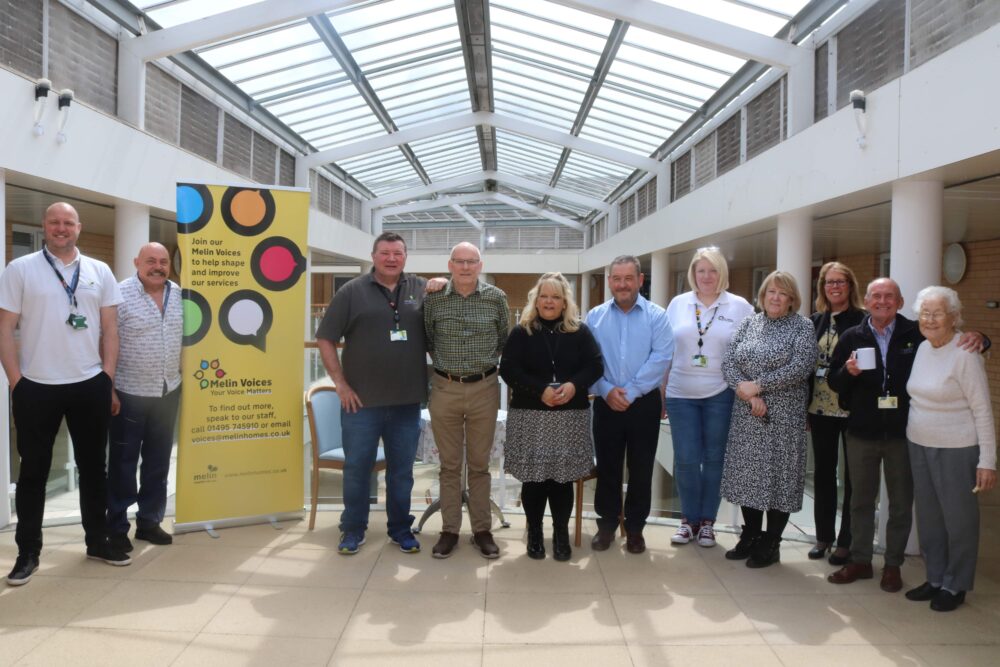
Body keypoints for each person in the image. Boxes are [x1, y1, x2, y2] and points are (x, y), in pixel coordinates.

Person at [826, 278, 986, 593]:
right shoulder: (851, 336)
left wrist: (983, 338)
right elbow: (834, 381)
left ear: (899, 302)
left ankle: (893, 565)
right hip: (862, 432)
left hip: (903, 434)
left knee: (900, 503)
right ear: (867, 301)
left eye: (889, 296)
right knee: (859, 501)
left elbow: (954, 339)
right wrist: (848, 372)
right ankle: (860, 560)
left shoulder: (917, 332)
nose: (882, 301)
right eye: (876, 296)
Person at [0, 202, 128, 586]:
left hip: (90, 383)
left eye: (67, 223)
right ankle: (28, 552)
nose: (61, 228)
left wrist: (108, 377)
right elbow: (5, 327)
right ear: (44, 226)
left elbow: (111, 329)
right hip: (36, 386)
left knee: (94, 470)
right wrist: (16, 381)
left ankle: (97, 541)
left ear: (79, 227)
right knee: (34, 473)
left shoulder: (99, 270)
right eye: (54, 222)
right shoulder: (20, 269)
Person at [316, 232, 428, 555]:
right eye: (384, 253)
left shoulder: (420, 289)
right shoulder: (351, 291)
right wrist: (340, 383)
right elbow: (325, 338)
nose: (391, 258)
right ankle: (352, 529)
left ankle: (400, 529)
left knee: (402, 472)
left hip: (407, 401)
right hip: (360, 403)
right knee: (356, 469)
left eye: (397, 253)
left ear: (405, 257)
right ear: (373, 256)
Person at [500, 272, 603, 561]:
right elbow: (508, 369)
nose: (549, 301)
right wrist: (539, 391)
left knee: (562, 480)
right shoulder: (522, 331)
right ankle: (534, 532)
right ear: (536, 298)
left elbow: (595, 366)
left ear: (564, 301)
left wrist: (573, 385)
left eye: (555, 296)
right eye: (544, 295)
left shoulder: (579, 331)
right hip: (531, 415)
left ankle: (560, 535)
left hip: (569, 417)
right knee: (534, 480)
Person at [905, 286, 996, 611]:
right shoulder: (923, 348)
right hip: (919, 443)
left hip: (957, 448)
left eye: (937, 313)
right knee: (929, 518)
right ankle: (935, 578)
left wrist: (988, 460)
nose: (929, 319)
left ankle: (955, 584)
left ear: (954, 317)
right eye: (924, 313)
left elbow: (982, 409)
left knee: (959, 520)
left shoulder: (965, 353)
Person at [720, 271, 816, 568]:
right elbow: (728, 362)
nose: (775, 297)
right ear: (763, 295)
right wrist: (749, 395)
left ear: (791, 299)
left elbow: (802, 366)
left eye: (782, 293)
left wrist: (759, 386)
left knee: (779, 478)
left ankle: (771, 542)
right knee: (749, 477)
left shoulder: (802, 326)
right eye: (771, 291)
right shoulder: (749, 323)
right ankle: (749, 535)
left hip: (783, 418)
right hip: (748, 414)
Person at [424, 242, 509, 559]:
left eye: (471, 261)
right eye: (459, 261)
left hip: (484, 389)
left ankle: (482, 530)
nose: (465, 267)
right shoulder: (434, 299)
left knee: (479, 465)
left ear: (480, 264)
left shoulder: (496, 298)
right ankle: (449, 531)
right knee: (449, 466)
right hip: (445, 388)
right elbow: (429, 340)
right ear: (449, 264)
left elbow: (503, 339)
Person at [664, 247, 753, 548]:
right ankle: (687, 521)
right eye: (700, 270)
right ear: (693, 273)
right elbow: (666, 350)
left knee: (714, 460)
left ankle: (707, 523)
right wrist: (661, 392)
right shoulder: (678, 303)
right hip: (680, 394)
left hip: (721, 394)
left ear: (722, 274)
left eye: (712, 270)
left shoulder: (739, 306)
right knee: (687, 461)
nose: (706, 276)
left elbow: (751, 351)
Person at [586, 256, 673, 554]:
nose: (622, 284)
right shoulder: (594, 317)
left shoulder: (657, 316)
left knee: (641, 468)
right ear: (610, 281)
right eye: (616, 278)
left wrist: (631, 392)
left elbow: (661, 358)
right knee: (608, 466)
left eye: (628, 278)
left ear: (640, 280)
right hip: (606, 402)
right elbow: (588, 361)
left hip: (644, 403)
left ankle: (635, 528)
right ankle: (607, 524)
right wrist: (607, 391)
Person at [107, 242, 183, 553]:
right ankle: (117, 527)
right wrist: (108, 386)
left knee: (158, 461)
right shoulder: (118, 294)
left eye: (163, 261)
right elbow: (106, 341)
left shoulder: (179, 294)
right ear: (136, 261)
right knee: (123, 464)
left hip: (168, 390)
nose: (158, 266)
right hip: (128, 392)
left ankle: (149, 522)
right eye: (150, 260)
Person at [807, 262, 865, 565]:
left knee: (853, 478)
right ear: (822, 288)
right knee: (824, 475)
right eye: (829, 282)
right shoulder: (815, 320)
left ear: (850, 285)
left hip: (851, 408)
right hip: (818, 408)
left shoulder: (864, 320)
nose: (834, 287)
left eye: (840, 281)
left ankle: (847, 541)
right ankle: (823, 538)